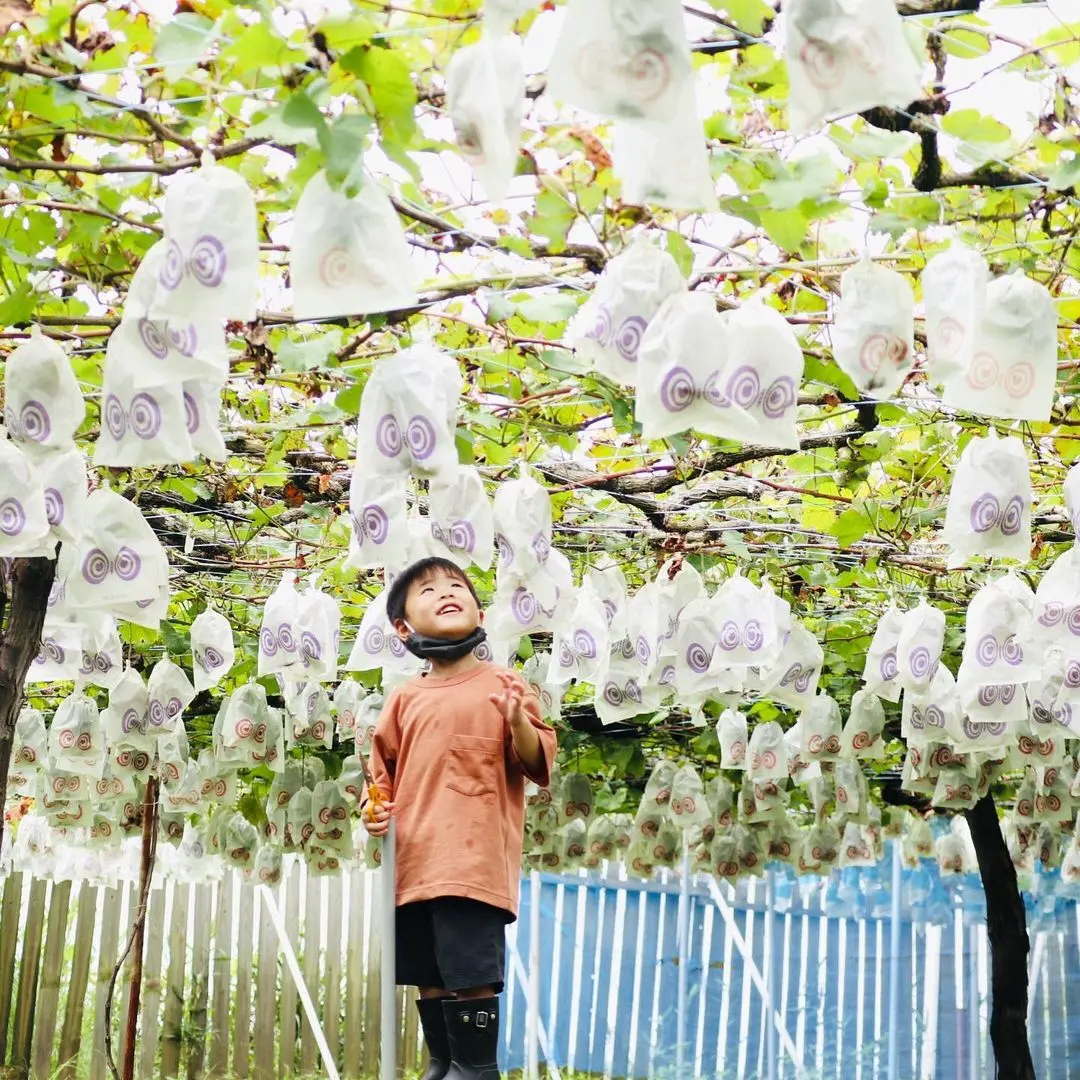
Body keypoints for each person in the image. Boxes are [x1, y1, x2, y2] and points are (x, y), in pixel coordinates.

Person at [361, 556, 557, 1080]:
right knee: (430, 973)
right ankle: (445, 1061)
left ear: (481, 613)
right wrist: (374, 811)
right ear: (403, 628)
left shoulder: (504, 686)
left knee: (469, 973)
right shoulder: (404, 698)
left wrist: (517, 722)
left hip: (472, 868)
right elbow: (380, 778)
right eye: (426, 591)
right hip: (413, 868)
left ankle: (477, 1069)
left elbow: (536, 761)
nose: (446, 592)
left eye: (457, 586)